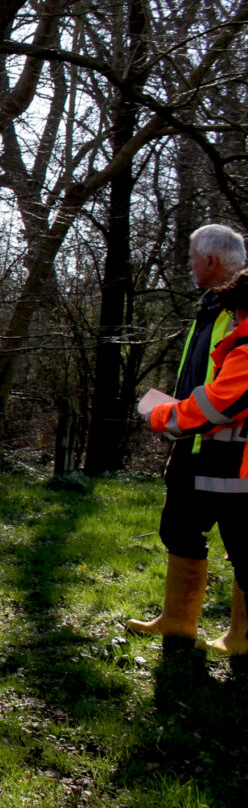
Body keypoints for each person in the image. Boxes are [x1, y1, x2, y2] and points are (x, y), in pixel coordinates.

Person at [128, 223, 246, 646]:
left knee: (243, 543)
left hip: (229, 451)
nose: (189, 264)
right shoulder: (210, 307)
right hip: (193, 441)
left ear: (211, 261)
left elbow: (224, 394)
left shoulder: (237, 312)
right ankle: (178, 623)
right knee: (178, 528)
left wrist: (166, 415)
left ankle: (240, 638)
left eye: (192, 257)